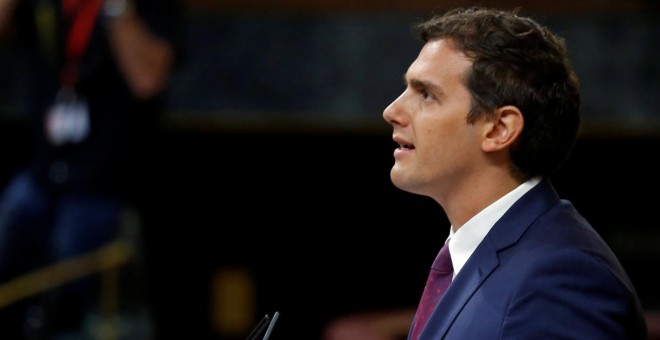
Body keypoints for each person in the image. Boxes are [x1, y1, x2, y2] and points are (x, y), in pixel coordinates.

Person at [326, 6, 648, 340]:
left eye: (426, 94)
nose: (391, 111)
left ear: (499, 129)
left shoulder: (559, 279)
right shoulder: (497, 255)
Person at [0, 0, 185, 338]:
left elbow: (147, 80)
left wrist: (115, 8)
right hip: (44, 172)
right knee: (11, 219)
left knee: (73, 253)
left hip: (108, 181)